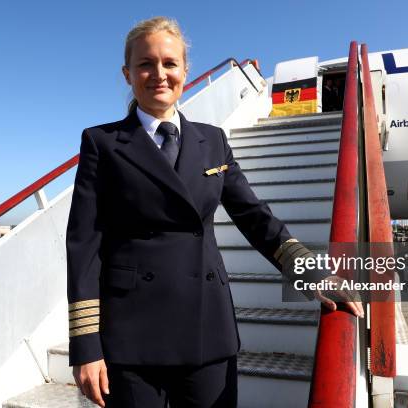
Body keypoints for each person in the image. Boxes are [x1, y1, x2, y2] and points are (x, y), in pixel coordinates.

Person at [66, 16, 364, 408]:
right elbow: (84, 245)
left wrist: (311, 272)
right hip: (131, 334)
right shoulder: (102, 143)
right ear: (127, 73)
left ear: (185, 71)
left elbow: (254, 216)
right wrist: (86, 346)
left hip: (206, 327)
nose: (159, 74)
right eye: (145, 64)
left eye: (170, 63)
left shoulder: (213, 140)